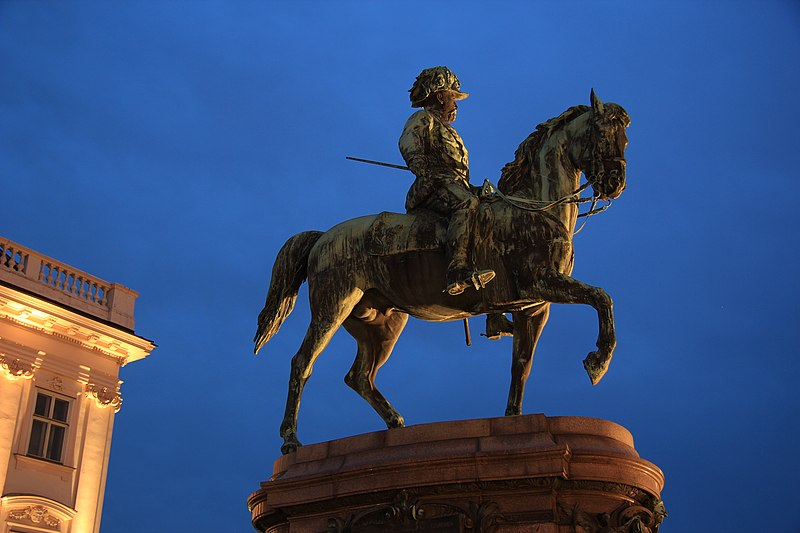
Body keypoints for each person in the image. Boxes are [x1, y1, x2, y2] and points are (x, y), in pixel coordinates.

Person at [399, 66, 513, 339]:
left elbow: (458, 176)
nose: (456, 105)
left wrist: (477, 189)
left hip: (453, 187)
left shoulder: (450, 132)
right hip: (430, 188)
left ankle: (494, 312)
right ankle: (456, 272)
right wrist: (421, 165)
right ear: (440, 97)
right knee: (467, 206)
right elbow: (408, 142)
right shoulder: (423, 118)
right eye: (454, 98)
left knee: (491, 213)